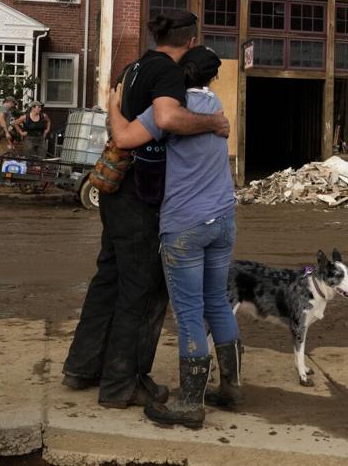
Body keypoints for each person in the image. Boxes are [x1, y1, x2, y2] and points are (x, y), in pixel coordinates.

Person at [61, 11, 230, 409]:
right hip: (143, 197)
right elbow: (168, 117)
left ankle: (82, 366)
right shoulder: (169, 74)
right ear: (190, 43)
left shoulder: (133, 68)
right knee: (144, 291)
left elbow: (117, 117)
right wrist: (212, 123)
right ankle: (123, 384)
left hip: (116, 194)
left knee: (109, 280)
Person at [108, 46, 240, 429]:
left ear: (180, 74)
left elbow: (124, 139)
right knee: (216, 300)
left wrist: (114, 103)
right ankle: (232, 386)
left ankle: (190, 403)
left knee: (188, 314)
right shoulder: (217, 108)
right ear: (212, 77)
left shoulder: (167, 112)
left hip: (185, 225)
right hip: (223, 220)